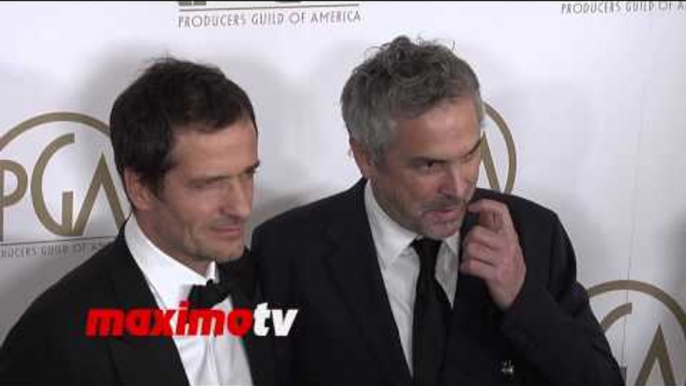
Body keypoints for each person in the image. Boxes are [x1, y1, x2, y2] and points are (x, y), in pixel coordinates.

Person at [252, 36, 624, 385]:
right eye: (429, 166)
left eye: (469, 155)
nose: (459, 188)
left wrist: (523, 299)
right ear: (365, 156)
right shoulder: (289, 252)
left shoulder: (534, 234)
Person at [0, 58, 274, 385]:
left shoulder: (267, 277)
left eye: (248, 174)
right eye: (208, 184)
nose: (242, 206)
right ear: (140, 187)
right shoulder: (56, 338)